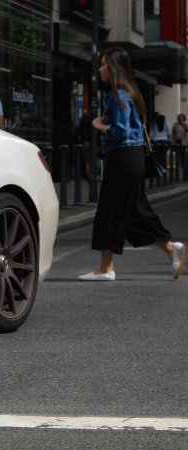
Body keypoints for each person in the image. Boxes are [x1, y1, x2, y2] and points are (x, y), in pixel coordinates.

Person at [80, 48, 184, 281]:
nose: (100, 69)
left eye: (104, 64)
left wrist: (99, 126)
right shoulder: (132, 93)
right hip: (132, 157)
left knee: (112, 210)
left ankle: (109, 267)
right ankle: (109, 266)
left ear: (114, 68)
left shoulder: (118, 94)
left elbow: (120, 131)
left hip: (122, 158)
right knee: (130, 211)